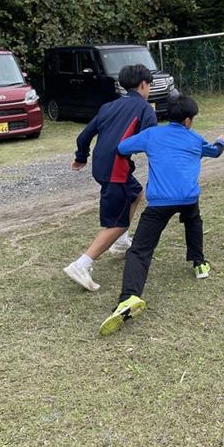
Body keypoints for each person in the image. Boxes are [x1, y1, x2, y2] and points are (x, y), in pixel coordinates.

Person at [99, 94, 224, 335]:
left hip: (159, 202)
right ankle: (199, 263)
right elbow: (215, 151)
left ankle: (129, 297)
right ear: (188, 121)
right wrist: (221, 141)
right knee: (193, 221)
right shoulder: (195, 139)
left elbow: (122, 148)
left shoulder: (152, 135)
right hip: (188, 198)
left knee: (140, 250)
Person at [63, 64, 157, 291]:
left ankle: (121, 243)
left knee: (136, 193)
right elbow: (151, 140)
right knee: (117, 223)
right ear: (143, 84)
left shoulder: (109, 106)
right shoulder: (145, 109)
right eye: (149, 85)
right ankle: (82, 264)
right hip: (117, 170)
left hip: (101, 166)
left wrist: (81, 157)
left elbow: (84, 135)